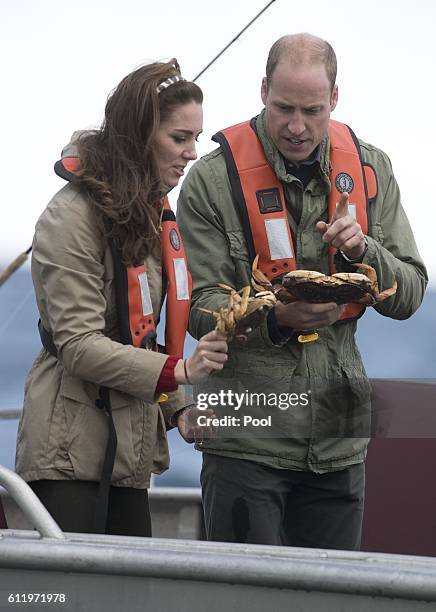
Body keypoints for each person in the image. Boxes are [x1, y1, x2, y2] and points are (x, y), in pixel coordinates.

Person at [177, 34, 428, 550]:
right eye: (283, 107)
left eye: (311, 110)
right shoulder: (210, 180)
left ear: (334, 99)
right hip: (246, 436)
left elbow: (411, 294)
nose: (296, 126)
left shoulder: (371, 169)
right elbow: (198, 309)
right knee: (242, 599)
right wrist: (275, 319)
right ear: (263, 89)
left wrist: (364, 252)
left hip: (339, 439)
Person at [15, 59, 228, 537]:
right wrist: (183, 371)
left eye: (197, 137)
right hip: (66, 459)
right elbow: (79, 346)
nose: (192, 152)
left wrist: (179, 409)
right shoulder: (70, 217)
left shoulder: (148, 215)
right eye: (179, 138)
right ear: (136, 138)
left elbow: (140, 335)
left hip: (129, 455)